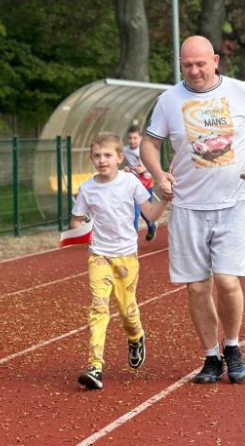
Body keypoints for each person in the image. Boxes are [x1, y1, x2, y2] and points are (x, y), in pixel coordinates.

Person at [140, 35, 245, 385]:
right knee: (197, 288)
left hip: (233, 202)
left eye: (201, 63)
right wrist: (159, 176)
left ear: (215, 60)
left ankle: (232, 345)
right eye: (188, 65)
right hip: (187, 205)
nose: (195, 71)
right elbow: (149, 143)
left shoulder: (240, 91)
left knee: (227, 282)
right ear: (180, 64)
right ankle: (211, 357)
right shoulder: (169, 100)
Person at [70, 132, 168, 390]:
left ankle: (136, 336)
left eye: (107, 155)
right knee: (99, 307)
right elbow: (76, 219)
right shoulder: (87, 188)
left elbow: (149, 213)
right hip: (99, 255)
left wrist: (166, 200)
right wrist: (78, 230)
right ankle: (94, 366)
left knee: (127, 310)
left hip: (126, 257)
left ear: (119, 157)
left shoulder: (130, 183)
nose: (102, 160)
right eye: (97, 156)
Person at [123, 125, 157, 241]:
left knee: (145, 212)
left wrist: (144, 169)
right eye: (130, 138)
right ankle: (133, 239)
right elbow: (126, 164)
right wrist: (127, 168)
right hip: (134, 183)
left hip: (146, 183)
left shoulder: (145, 149)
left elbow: (154, 164)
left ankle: (151, 225)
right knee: (134, 211)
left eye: (135, 138)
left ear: (140, 138)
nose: (132, 141)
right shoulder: (125, 150)